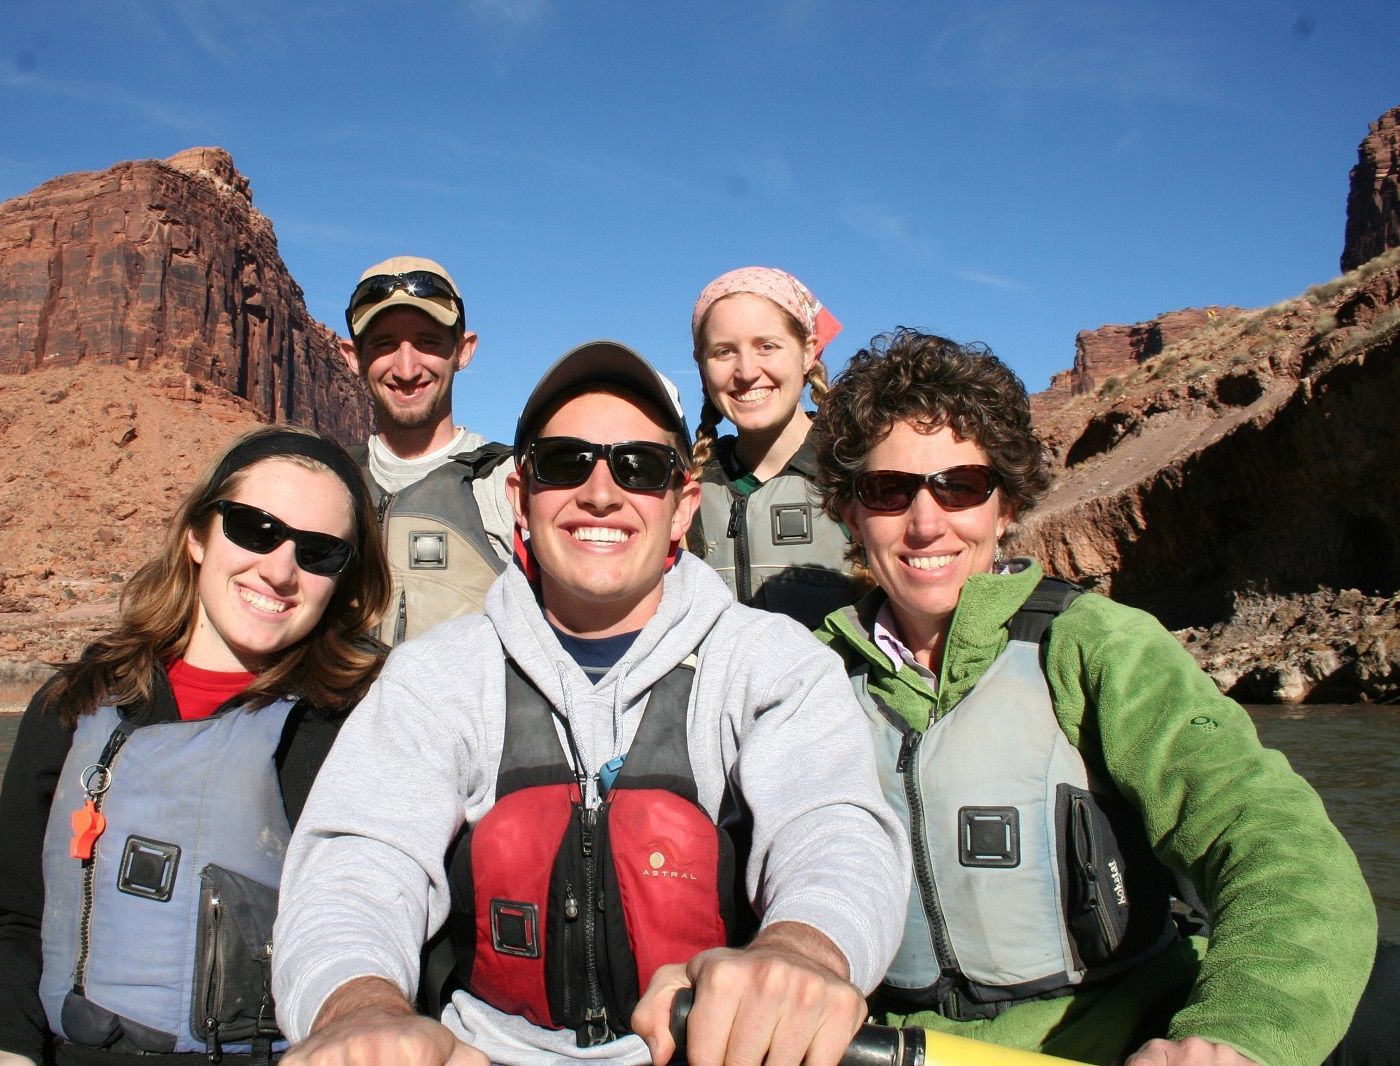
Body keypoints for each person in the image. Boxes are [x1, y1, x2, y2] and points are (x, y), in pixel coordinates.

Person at [272, 341, 911, 1066]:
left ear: (681, 508)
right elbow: (360, 862)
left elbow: (832, 827)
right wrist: (359, 1008)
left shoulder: (773, 666)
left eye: (640, 467)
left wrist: (803, 948)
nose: (601, 492)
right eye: (564, 463)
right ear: (520, 498)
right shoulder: (436, 678)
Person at [810, 328, 1380, 1066]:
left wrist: (1238, 1035)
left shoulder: (1100, 645)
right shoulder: (813, 676)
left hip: (1116, 1042)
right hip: (888, 1049)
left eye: (961, 486)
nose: (926, 522)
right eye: (889, 491)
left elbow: (1274, 843)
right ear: (851, 513)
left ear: (1004, 505)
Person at [0, 426, 390, 1066]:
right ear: (197, 536)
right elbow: (7, 916)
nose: (280, 569)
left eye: (319, 552)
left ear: (343, 579)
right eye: (254, 529)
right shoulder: (76, 702)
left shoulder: (361, 724)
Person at [339, 255, 517, 644]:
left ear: (464, 350)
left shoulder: (509, 483)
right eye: (384, 344)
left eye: (427, 342)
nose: (406, 368)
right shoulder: (328, 480)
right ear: (353, 358)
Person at [686, 266, 864, 630]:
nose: (747, 370)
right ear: (702, 368)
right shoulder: (687, 493)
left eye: (766, 346)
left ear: (807, 352)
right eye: (724, 352)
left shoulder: (859, 476)